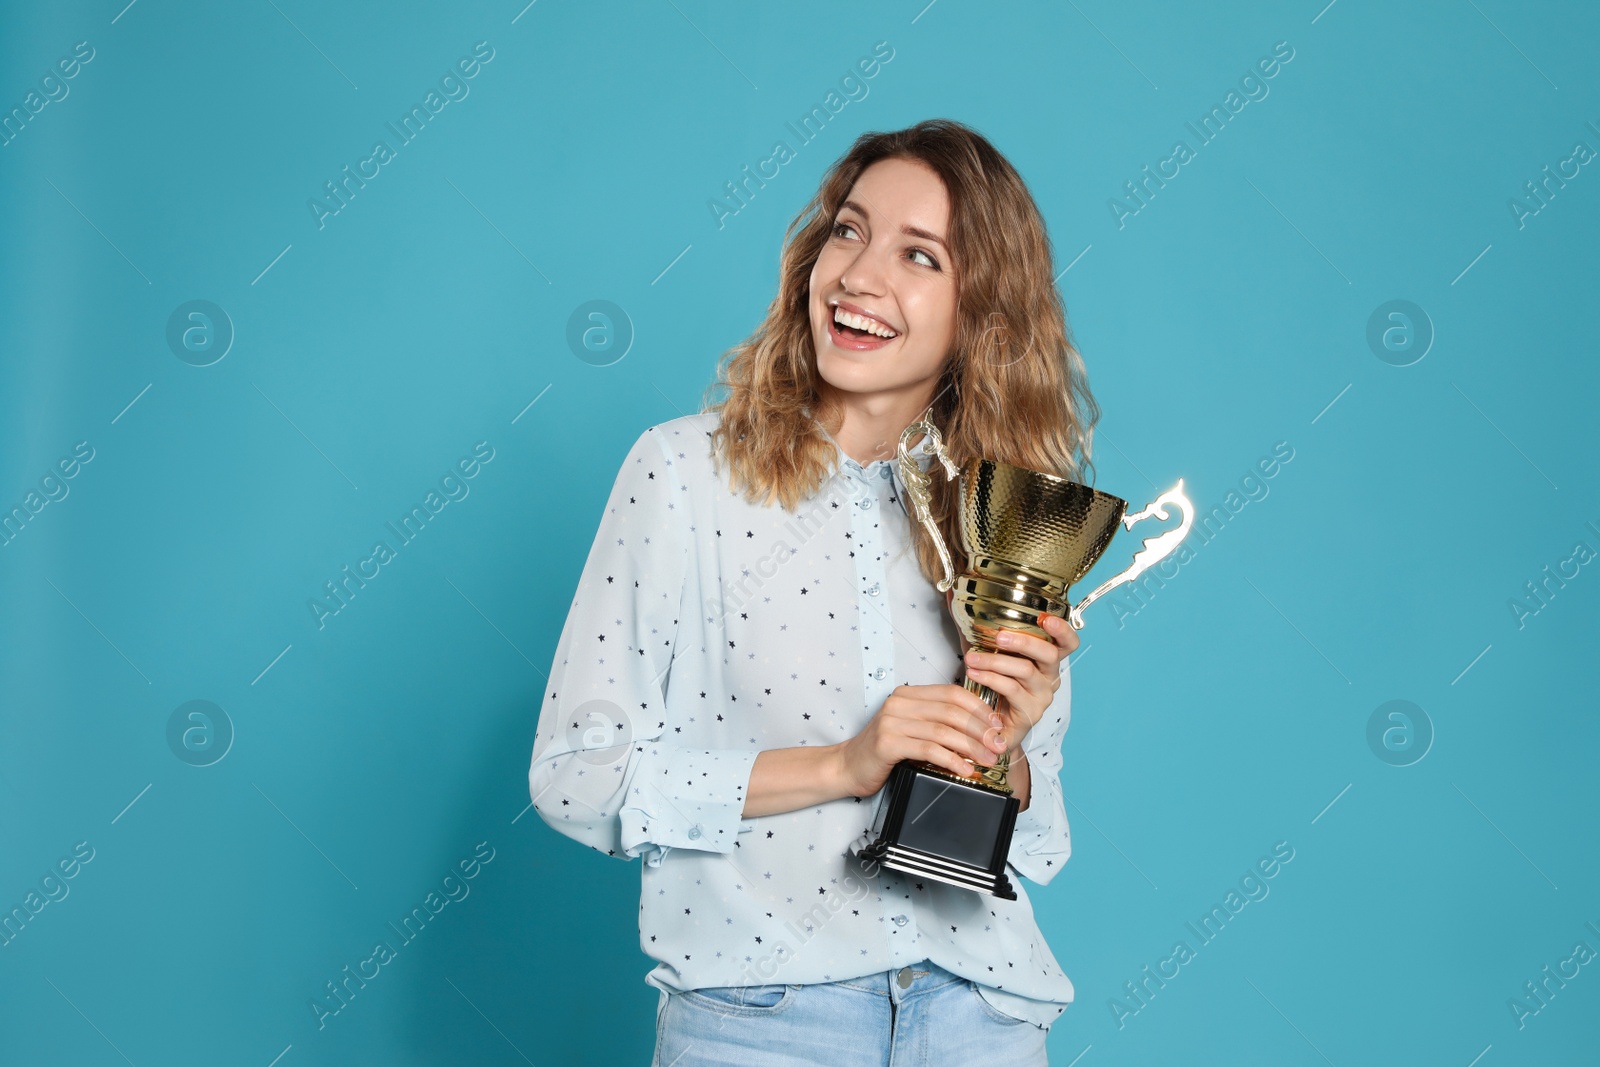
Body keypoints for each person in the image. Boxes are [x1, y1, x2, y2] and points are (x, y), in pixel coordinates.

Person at [528, 118, 1100, 1066]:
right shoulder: (685, 475)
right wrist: (844, 763)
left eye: (919, 255)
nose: (861, 276)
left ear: (981, 312)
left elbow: (1039, 843)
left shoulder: (1005, 524)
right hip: (763, 1022)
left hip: (982, 1022)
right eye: (848, 231)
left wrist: (1012, 746)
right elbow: (578, 777)